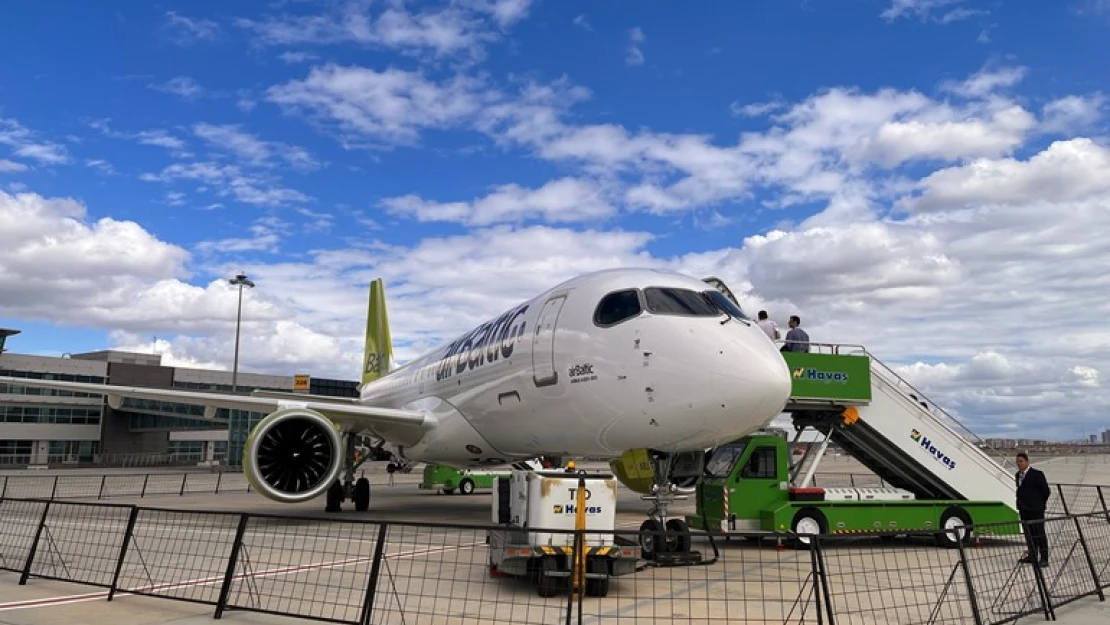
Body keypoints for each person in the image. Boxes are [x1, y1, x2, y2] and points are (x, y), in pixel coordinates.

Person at [1015, 452, 1051, 565]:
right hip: (1024, 509)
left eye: (1021, 461)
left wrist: (1039, 503)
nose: (1019, 464)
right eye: (1017, 462)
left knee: (1039, 533)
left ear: (1027, 462)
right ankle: (1032, 556)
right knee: (1028, 534)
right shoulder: (1018, 475)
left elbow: (1046, 491)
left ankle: (1044, 558)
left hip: (1036, 509)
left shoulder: (1037, 474)